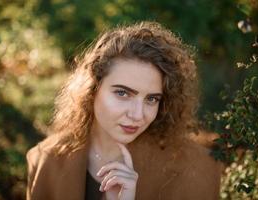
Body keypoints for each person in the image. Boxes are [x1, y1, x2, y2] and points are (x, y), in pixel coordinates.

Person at [26, 21, 222, 200]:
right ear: (92, 89)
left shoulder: (195, 168)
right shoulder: (46, 159)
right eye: (122, 93)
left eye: (152, 99)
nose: (137, 115)